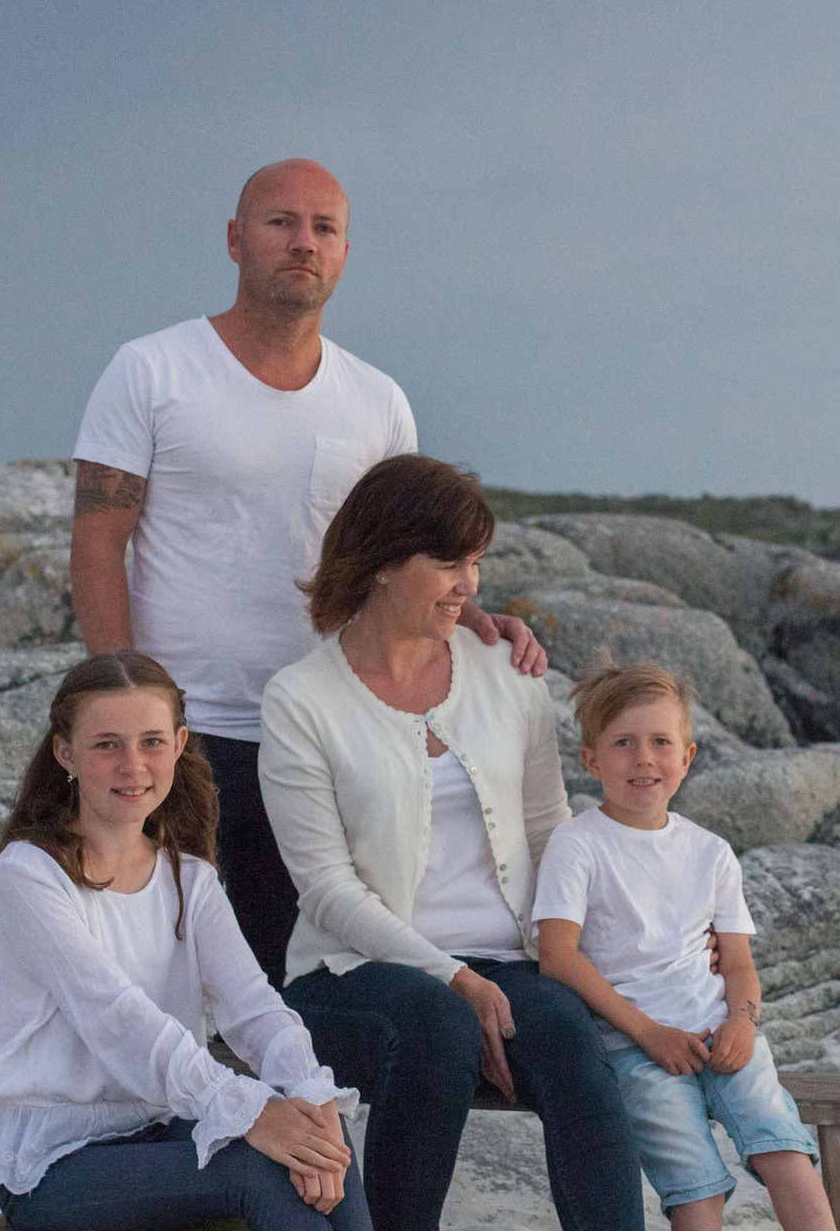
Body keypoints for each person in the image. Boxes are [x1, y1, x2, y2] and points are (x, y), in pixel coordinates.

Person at [258, 454, 713, 1231]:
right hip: (353, 971)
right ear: (382, 561)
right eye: (448, 561)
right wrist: (453, 974)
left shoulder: (507, 674)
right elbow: (328, 891)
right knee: (434, 1025)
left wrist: (594, 961)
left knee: (567, 1041)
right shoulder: (301, 699)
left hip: (508, 956)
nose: (470, 583)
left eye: (476, 561)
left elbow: (554, 831)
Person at [0, 648, 514, 1231]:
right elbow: (118, 1023)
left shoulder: (187, 874)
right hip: (58, 1160)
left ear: (182, 744)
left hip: (154, 1129)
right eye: (107, 744)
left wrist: (303, 1096)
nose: (133, 766)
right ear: (63, 753)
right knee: (256, 1161)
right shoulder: (32, 875)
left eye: (153, 742)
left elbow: (257, 1007)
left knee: (320, 1132)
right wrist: (250, 1111)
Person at [69, 158, 542, 985]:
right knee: (154, 964)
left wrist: (470, 616)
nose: (302, 242)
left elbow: (409, 553)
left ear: (346, 253)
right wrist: (121, 700)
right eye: (280, 222)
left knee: (311, 975)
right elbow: (98, 540)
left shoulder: (378, 400)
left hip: (333, 724)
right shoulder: (151, 371)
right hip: (186, 728)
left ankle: (309, 1113)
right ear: (234, 239)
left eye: (323, 228)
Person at [533, 663, 840, 1231]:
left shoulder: (709, 852)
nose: (644, 759)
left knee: (782, 1144)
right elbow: (558, 957)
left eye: (662, 742)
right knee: (694, 1187)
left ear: (688, 757)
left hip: (723, 1036)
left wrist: (744, 1023)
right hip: (636, 1049)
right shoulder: (579, 844)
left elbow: (740, 968)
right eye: (624, 743)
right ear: (591, 759)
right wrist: (648, 1033)